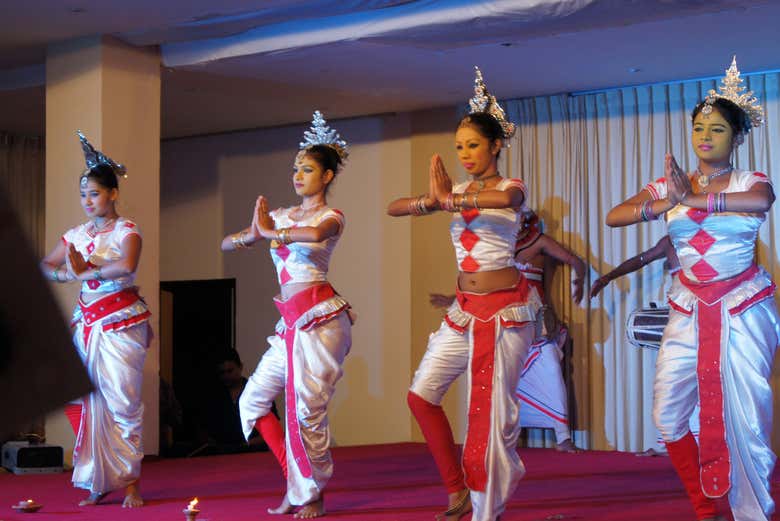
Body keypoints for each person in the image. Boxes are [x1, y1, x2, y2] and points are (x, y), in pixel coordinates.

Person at [604, 57, 778, 521]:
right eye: (699, 126)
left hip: (743, 308)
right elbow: (615, 215)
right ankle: (706, 508)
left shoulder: (749, 180)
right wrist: (668, 201)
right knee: (666, 415)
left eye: (717, 129)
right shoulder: (669, 185)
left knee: (747, 420)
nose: (704, 135)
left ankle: (750, 513)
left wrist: (692, 200)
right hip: (687, 307)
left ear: (738, 138)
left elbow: (762, 201)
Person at [388, 67, 538, 521]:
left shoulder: (510, 187)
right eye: (459, 147)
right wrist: (428, 202)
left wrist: (450, 201)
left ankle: (485, 510)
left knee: (491, 417)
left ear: (495, 146)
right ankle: (457, 491)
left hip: (506, 313)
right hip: (464, 310)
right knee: (421, 395)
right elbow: (394, 207)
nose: (465, 154)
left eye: (473, 144)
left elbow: (505, 203)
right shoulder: (452, 191)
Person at [222, 111, 353, 519]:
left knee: (306, 410)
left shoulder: (329, 216)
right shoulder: (277, 215)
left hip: (321, 320)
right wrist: (251, 234)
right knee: (253, 399)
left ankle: (310, 494)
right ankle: (296, 485)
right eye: (296, 168)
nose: (298, 174)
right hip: (290, 324)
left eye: (308, 168)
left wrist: (268, 234)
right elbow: (227, 244)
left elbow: (314, 236)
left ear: (327, 176)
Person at [39, 131, 152, 508]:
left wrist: (88, 271)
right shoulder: (75, 234)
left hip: (121, 322)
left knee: (122, 400)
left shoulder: (126, 230)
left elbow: (127, 265)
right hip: (87, 324)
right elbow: (47, 265)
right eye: (83, 194)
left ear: (113, 194)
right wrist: (66, 275)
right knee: (83, 402)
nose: (88, 201)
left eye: (95, 193)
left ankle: (131, 482)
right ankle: (98, 477)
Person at [431, 210, 586, 453]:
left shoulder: (539, 242)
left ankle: (563, 437)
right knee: (496, 380)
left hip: (536, 325)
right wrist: (451, 300)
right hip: (504, 325)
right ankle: (498, 438)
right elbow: (481, 288)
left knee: (550, 369)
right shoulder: (497, 253)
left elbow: (575, 261)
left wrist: (579, 279)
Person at [196, 349, 279, 455]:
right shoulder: (212, 396)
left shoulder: (258, 392)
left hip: (254, 453)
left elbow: (273, 430)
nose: (226, 376)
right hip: (221, 455)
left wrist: (246, 444)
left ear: (240, 367)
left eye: (230, 371)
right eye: (222, 372)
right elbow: (202, 428)